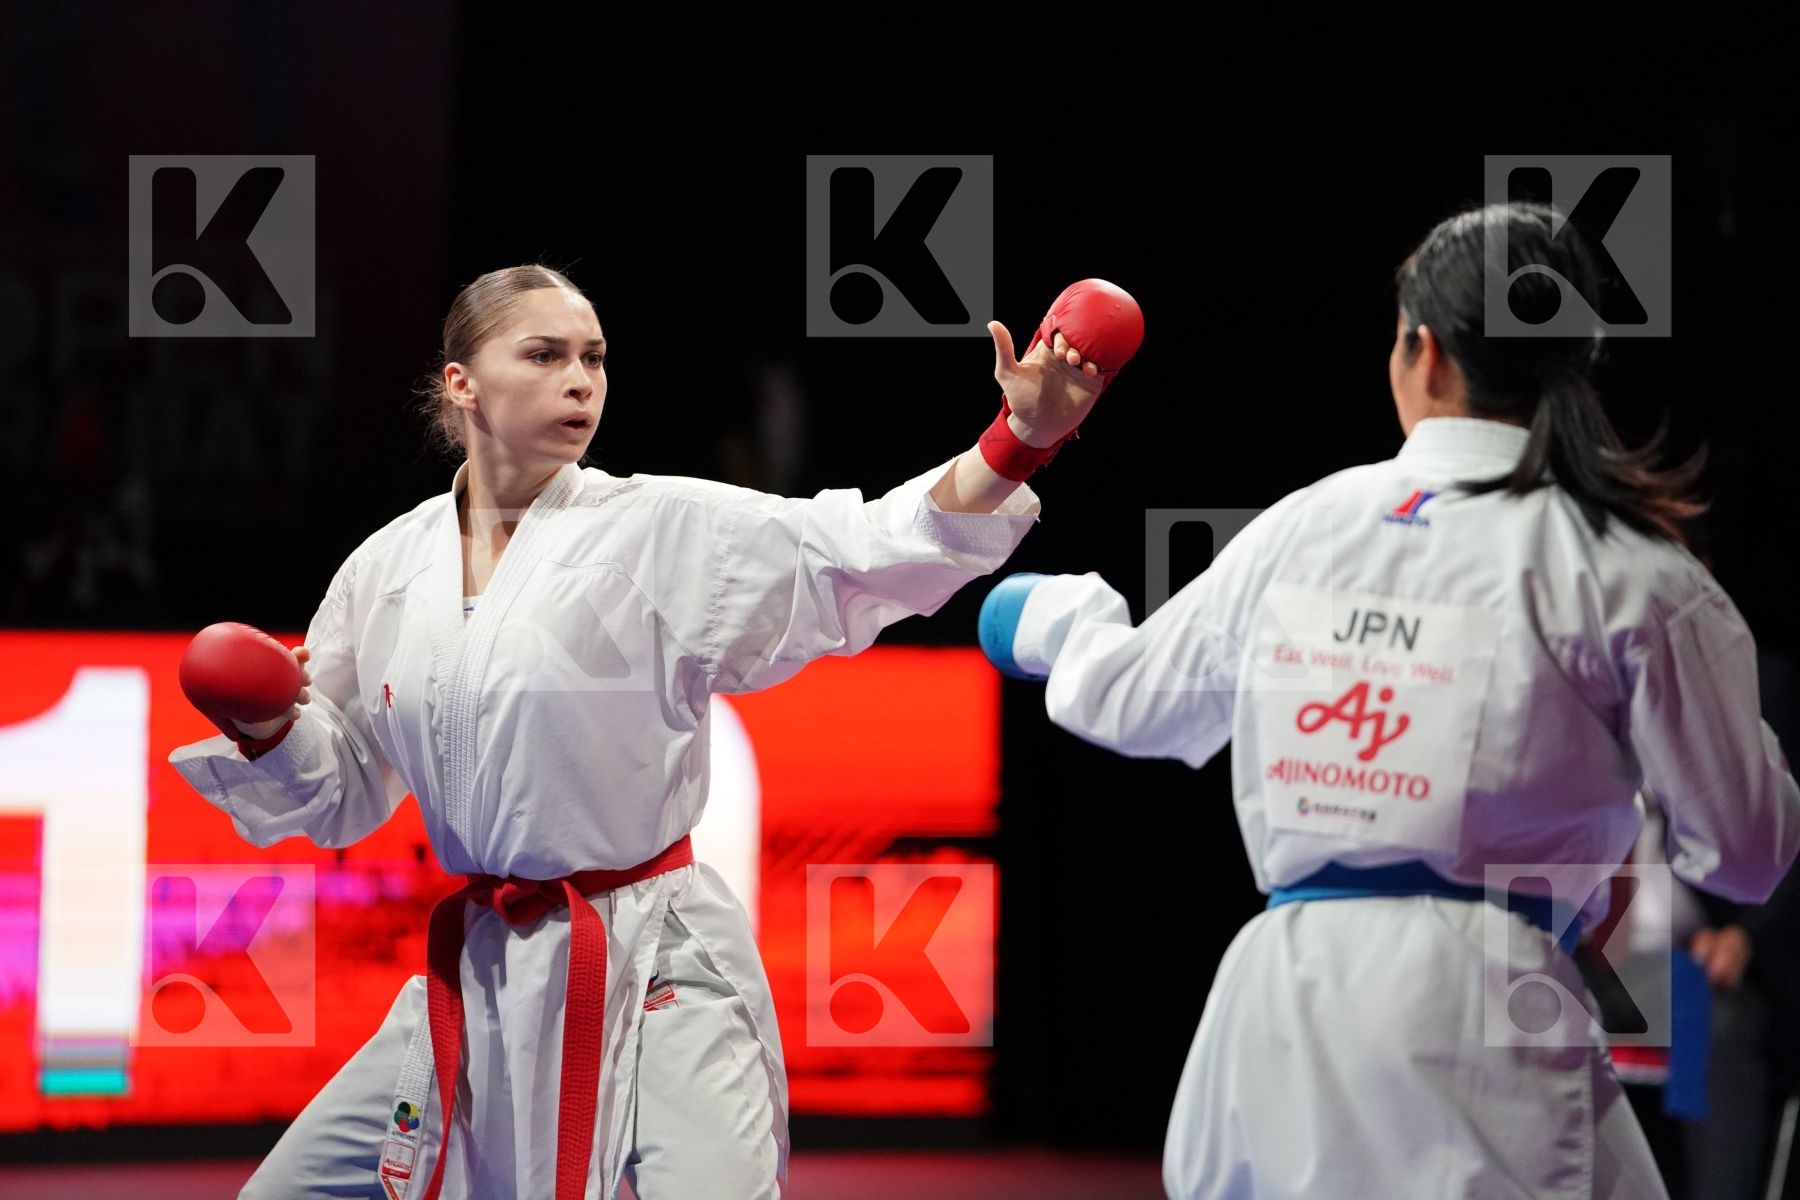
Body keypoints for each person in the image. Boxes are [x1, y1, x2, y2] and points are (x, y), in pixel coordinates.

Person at [167, 265, 1138, 1199]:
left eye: (593, 357)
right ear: (461, 383)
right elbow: (340, 795)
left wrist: (1020, 436)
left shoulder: (659, 527)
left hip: (662, 963)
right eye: (544, 355)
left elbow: (868, 550)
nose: (580, 379)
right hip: (480, 974)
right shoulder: (384, 571)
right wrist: (266, 727)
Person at [977, 203, 1800, 1199]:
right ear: (1573, 370)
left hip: (1286, 1006)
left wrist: (1049, 622)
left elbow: (1136, 698)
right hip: (1495, 1009)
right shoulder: (1635, 571)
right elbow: (1749, 856)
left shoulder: (1310, 524)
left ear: (1426, 353)